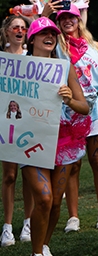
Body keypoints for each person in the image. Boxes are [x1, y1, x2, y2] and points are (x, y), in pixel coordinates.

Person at [42, 4, 98, 233]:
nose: (67, 21)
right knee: (72, 164)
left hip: (94, 108)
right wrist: (44, 14)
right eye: (62, 19)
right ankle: (73, 216)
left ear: (79, 19)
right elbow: (38, 37)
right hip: (66, 108)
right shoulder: (56, 46)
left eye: (71, 17)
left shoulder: (95, 46)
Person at [21, 17, 90, 256]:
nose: (49, 36)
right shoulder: (18, 67)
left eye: (52, 33)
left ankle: (43, 246)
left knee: (56, 203)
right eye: (43, 33)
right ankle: (37, 253)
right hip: (29, 141)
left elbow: (84, 107)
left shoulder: (65, 67)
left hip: (62, 141)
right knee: (44, 197)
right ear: (32, 39)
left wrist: (70, 98)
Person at [0, 15, 33, 247]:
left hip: (30, 123)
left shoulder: (33, 59)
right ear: (7, 32)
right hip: (6, 124)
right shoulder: (1, 60)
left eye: (23, 27)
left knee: (29, 175)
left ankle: (29, 222)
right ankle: (8, 227)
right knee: (10, 175)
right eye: (15, 27)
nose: (19, 30)